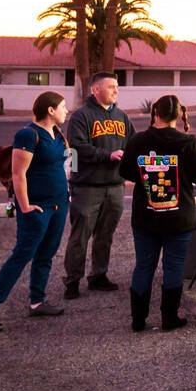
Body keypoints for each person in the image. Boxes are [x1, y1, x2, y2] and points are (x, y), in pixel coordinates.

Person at [0, 92, 72, 332]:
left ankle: (37, 301)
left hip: (59, 205)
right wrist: (25, 207)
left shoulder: (58, 133)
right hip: (36, 207)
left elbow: (62, 165)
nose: (66, 110)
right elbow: (18, 174)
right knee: (22, 255)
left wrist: (67, 193)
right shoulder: (27, 134)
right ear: (50, 110)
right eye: (62, 107)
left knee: (47, 254)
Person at [118, 95, 196, 332]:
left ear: (155, 113)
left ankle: (138, 320)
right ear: (179, 115)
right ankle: (170, 318)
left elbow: (126, 171)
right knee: (174, 267)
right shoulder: (188, 142)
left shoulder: (138, 140)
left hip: (145, 216)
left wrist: (148, 174)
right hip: (179, 217)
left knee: (143, 266)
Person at [63, 72, 135, 298]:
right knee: (80, 236)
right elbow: (76, 147)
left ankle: (98, 275)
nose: (116, 90)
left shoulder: (122, 117)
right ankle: (72, 280)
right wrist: (107, 155)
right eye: (111, 86)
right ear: (95, 90)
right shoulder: (81, 117)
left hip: (114, 186)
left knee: (105, 236)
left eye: (117, 86)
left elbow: (133, 144)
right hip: (87, 187)